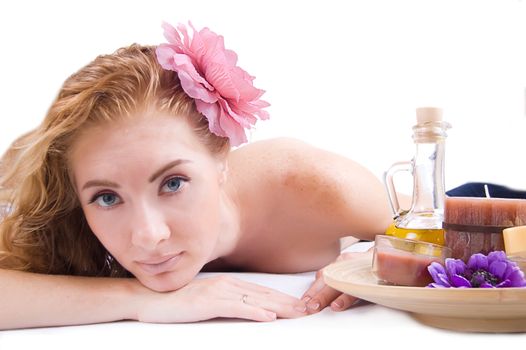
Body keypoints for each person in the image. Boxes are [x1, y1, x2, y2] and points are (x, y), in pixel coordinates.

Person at [0, 22, 395, 330]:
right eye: (107, 197)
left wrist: (377, 259)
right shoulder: (61, 215)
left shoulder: (316, 184)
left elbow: (428, 231)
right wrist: (136, 299)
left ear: (222, 155)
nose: (148, 236)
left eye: (172, 184)